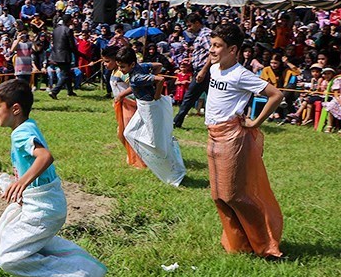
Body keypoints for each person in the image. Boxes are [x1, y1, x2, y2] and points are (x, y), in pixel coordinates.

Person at [0, 79, 107, 277]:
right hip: (42, 205)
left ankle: (82, 274)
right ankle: (75, 261)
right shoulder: (26, 127)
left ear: (15, 109)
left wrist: (21, 183)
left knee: (8, 259)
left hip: (44, 209)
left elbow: (45, 156)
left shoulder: (22, 132)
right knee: (7, 240)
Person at [204, 23, 285, 260]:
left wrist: (255, 123)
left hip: (232, 137)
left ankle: (266, 244)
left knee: (233, 195)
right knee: (218, 195)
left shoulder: (241, 74)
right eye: (212, 45)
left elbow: (276, 95)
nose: (212, 50)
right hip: (212, 134)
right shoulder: (215, 69)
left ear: (233, 49)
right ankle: (239, 243)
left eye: (217, 46)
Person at [116, 45, 186, 187]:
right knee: (129, 133)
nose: (120, 70)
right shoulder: (140, 67)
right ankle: (154, 161)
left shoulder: (137, 77)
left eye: (122, 67)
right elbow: (158, 66)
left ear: (132, 64)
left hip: (150, 108)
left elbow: (160, 79)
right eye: (119, 66)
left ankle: (173, 172)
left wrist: (156, 95)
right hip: (143, 106)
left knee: (157, 143)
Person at [102, 45, 145, 169]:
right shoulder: (114, 72)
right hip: (121, 105)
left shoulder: (122, 73)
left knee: (129, 132)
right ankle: (131, 154)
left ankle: (139, 159)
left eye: (107, 61)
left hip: (130, 105)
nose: (105, 64)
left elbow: (134, 86)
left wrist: (121, 95)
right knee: (121, 133)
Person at [173, 13, 212, 128]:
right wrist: (191, 59)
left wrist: (204, 70)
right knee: (211, 98)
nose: (189, 28)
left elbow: (212, 53)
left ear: (197, 23)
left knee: (189, 96)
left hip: (204, 70)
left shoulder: (205, 34)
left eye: (190, 25)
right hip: (201, 69)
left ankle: (177, 121)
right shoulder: (200, 34)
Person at [48, 14, 77, 99]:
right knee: (65, 75)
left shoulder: (56, 29)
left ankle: (70, 91)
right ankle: (54, 91)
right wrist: (77, 53)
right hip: (64, 56)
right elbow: (72, 45)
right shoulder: (68, 30)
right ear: (69, 21)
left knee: (67, 73)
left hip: (55, 55)